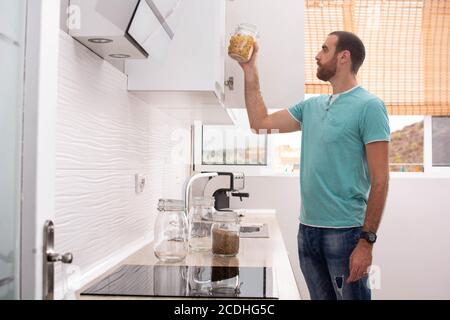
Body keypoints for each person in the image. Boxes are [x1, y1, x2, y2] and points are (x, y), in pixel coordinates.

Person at [237, 31, 390, 300]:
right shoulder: (311, 107)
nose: (317, 56)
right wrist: (250, 70)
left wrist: (366, 242)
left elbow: (381, 180)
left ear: (344, 57)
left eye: (324, 49)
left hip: (345, 234)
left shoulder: (370, 106)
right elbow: (259, 123)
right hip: (307, 231)